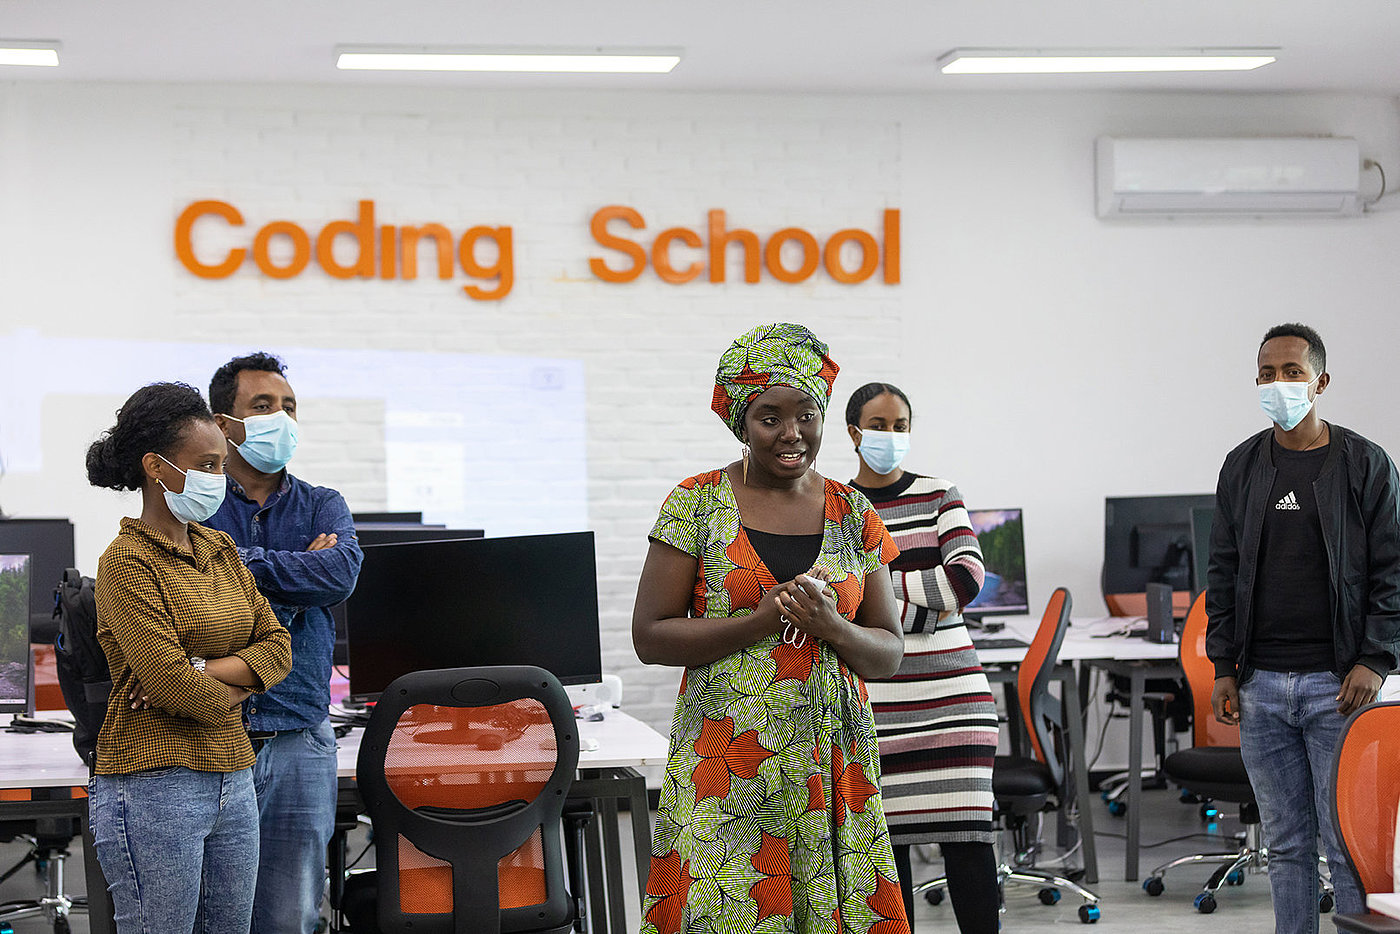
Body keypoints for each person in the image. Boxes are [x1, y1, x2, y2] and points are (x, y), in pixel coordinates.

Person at [632, 322, 909, 934]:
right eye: (770, 417)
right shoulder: (697, 502)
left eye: (807, 414)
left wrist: (832, 626)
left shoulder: (852, 511)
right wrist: (759, 621)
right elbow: (650, 636)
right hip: (723, 771)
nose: (792, 434)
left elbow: (887, 653)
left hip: (832, 770)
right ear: (741, 420)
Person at [1206, 322, 1400, 934]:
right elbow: (1224, 569)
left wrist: (1376, 658)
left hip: (1339, 685)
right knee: (1286, 848)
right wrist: (1223, 667)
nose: (1279, 384)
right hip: (1261, 686)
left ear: (1321, 380)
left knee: (1346, 845)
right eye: (1267, 373)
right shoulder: (1242, 466)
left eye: (1292, 372)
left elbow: (1394, 570)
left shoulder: (1365, 463)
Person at [85, 382, 293, 934]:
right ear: (156, 467)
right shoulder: (126, 563)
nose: (218, 480)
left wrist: (202, 669)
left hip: (234, 771)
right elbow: (179, 692)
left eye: (221, 466)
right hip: (155, 781)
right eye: (205, 465)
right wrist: (235, 676)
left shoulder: (219, 548)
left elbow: (278, 648)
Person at [204, 352, 363, 934]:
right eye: (263, 406)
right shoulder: (196, 505)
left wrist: (239, 573)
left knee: (291, 914)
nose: (281, 418)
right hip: (214, 734)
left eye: (289, 407)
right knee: (215, 914)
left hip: (301, 735)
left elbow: (341, 574)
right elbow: (196, 593)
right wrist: (298, 579)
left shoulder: (324, 503)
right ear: (224, 424)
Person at [846, 382, 1000, 934]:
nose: (891, 435)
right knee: (888, 867)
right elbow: (839, 603)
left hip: (955, 707)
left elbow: (964, 581)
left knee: (970, 850)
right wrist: (904, 603)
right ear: (853, 432)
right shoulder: (836, 506)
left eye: (900, 424)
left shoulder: (940, 492)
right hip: (874, 713)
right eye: (879, 425)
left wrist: (880, 597)